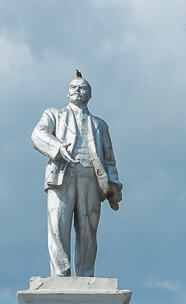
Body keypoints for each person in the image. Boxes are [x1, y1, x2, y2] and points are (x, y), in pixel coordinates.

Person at [32, 71, 122, 277]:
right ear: (67, 93)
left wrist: (114, 184)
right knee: (58, 224)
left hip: (91, 176)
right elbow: (38, 134)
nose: (78, 91)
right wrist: (56, 147)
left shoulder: (100, 125)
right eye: (73, 87)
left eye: (83, 88)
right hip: (61, 174)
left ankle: (85, 275)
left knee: (88, 229)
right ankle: (60, 274)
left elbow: (109, 159)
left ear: (90, 95)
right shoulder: (54, 114)